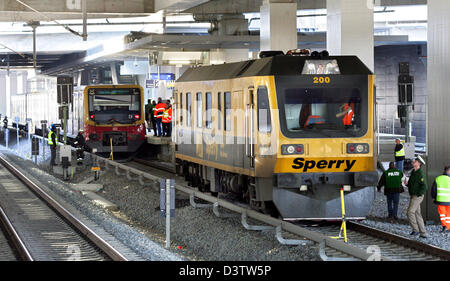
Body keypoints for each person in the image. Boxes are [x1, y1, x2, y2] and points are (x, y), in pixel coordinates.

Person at [405, 156, 428, 238]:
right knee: (417, 214)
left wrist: (418, 194)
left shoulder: (420, 173)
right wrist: (407, 184)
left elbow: (424, 186)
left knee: (410, 212)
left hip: (417, 196)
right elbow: (412, 183)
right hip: (413, 195)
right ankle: (423, 233)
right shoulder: (414, 172)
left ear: (418, 163)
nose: (413, 161)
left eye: (415, 161)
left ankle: (415, 230)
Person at [431, 166, 450, 233]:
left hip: (440, 200)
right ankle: (448, 228)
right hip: (449, 201)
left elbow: (433, 190)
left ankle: (444, 226)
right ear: (449, 171)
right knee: (448, 215)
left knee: (442, 214)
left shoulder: (438, 178)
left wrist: (433, 198)